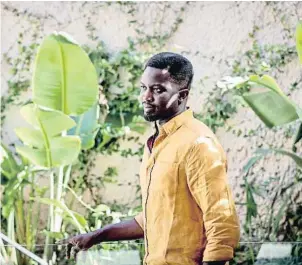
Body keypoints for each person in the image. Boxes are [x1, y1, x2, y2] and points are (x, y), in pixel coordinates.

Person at [60, 52, 240, 265]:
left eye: (158, 90)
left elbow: (221, 221)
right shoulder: (157, 144)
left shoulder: (198, 143)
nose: (146, 97)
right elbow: (152, 219)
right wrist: (97, 236)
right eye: (143, 88)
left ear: (182, 96)